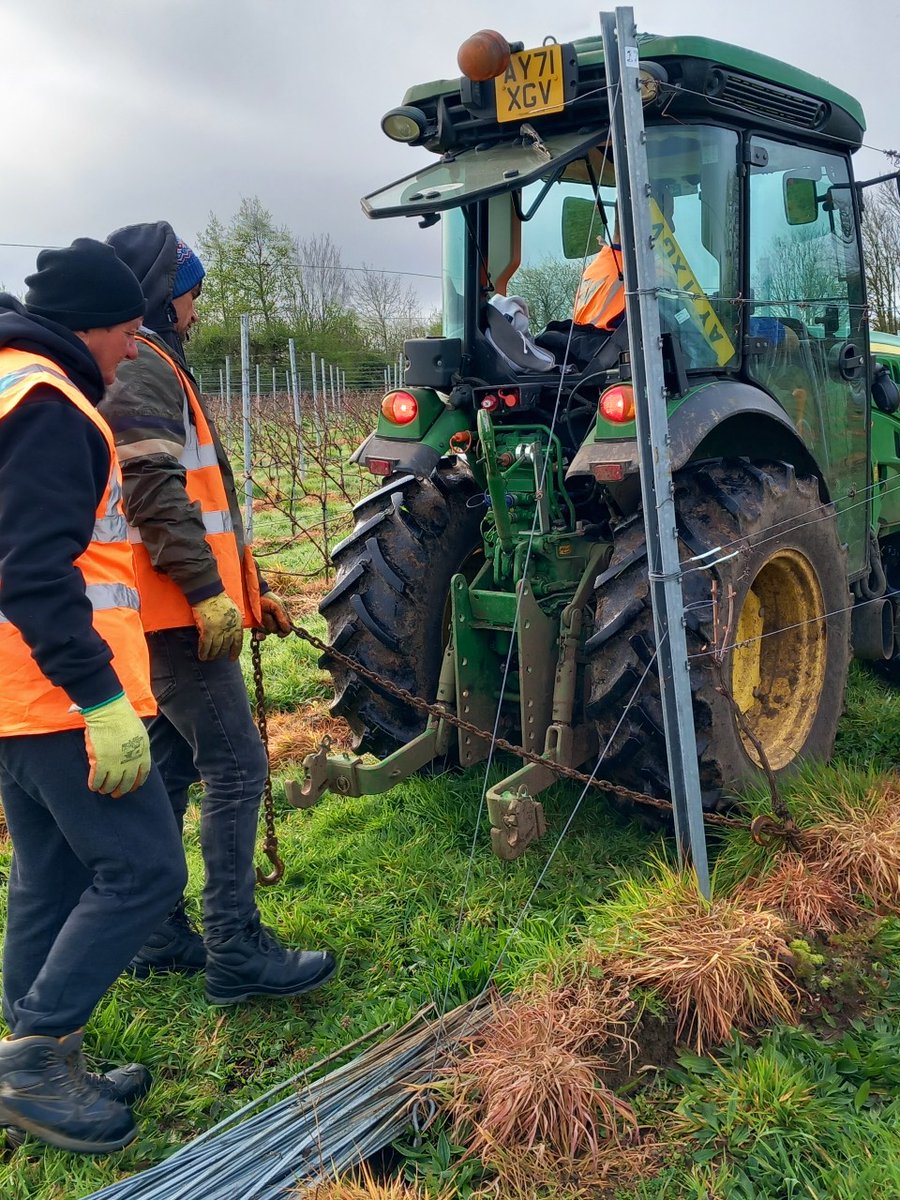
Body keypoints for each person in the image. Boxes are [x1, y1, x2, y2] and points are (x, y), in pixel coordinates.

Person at [100, 221, 335, 1006]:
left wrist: (247, 589)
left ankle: (160, 930)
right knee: (237, 767)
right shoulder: (145, 371)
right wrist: (207, 597)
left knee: (170, 767)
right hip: (174, 614)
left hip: (175, 608)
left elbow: (210, 502)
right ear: (168, 298)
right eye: (194, 292)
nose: (200, 309)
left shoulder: (157, 364)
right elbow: (155, 495)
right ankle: (235, 947)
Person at [0, 240, 188, 1152]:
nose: (132, 349)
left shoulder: (8, 381)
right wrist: (100, 701)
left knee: (49, 871)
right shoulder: (48, 403)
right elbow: (33, 570)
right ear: (90, 326)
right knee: (147, 869)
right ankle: (34, 1059)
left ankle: (41, 1054)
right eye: (125, 331)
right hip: (53, 694)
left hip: (13, 695)